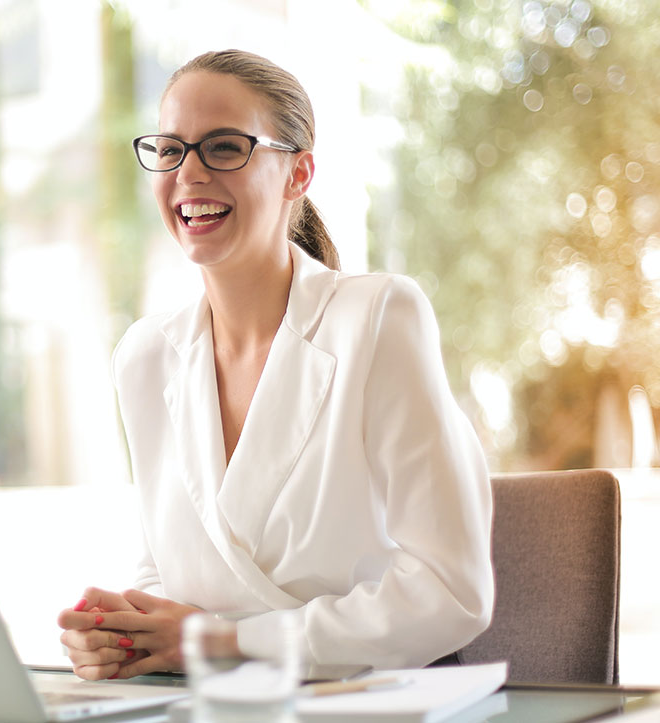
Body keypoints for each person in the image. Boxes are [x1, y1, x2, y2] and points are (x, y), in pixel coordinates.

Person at [56, 49, 493, 681]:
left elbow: (452, 591)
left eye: (225, 147)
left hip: (365, 699)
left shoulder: (376, 319)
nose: (189, 173)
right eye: (171, 149)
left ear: (298, 173)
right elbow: (168, 566)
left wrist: (226, 642)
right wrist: (124, 633)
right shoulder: (145, 358)